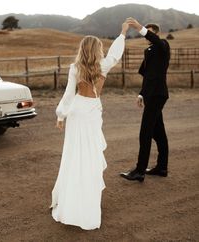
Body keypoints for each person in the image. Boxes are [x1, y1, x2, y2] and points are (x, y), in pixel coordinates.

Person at [50, 22, 129, 230]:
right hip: (92, 111)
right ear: (97, 49)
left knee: (74, 155)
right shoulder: (104, 64)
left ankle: (71, 201)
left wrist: (61, 115)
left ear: (82, 49)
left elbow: (68, 94)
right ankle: (86, 200)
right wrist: (122, 33)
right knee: (90, 156)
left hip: (77, 111)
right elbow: (115, 54)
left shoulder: (74, 68)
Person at [120, 18, 170, 182]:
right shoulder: (149, 51)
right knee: (158, 133)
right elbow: (148, 75)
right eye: (145, 33)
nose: (146, 36)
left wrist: (139, 27)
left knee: (145, 133)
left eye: (149, 32)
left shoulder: (163, 45)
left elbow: (156, 41)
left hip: (157, 95)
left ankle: (139, 171)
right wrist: (142, 94)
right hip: (151, 95)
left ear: (155, 33)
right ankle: (162, 168)